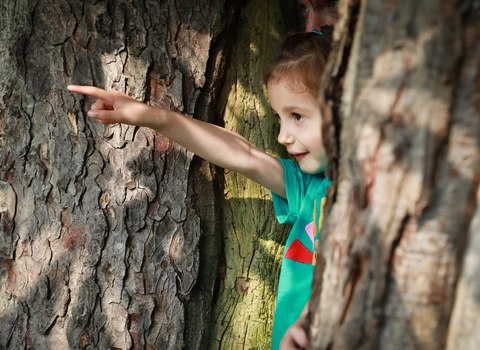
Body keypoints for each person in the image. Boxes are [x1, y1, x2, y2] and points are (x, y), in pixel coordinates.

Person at [68, 31, 331, 350]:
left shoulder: (379, 203)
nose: (283, 137)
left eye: (298, 116)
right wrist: (149, 116)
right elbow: (243, 154)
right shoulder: (312, 188)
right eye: (279, 118)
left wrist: (309, 322)